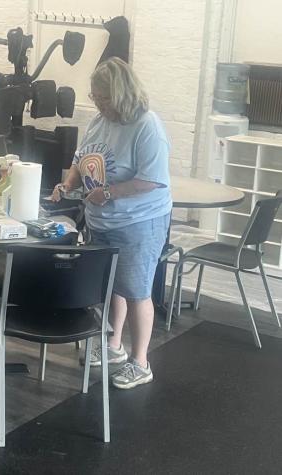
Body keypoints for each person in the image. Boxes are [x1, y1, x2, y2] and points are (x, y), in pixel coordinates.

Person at [52, 57, 172, 389]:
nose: (99, 104)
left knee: (136, 290)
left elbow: (152, 180)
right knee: (111, 286)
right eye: (95, 98)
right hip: (102, 221)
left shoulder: (148, 127)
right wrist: (69, 184)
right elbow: (81, 159)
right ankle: (113, 346)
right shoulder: (99, 121)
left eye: (103, 98)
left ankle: (140, 362)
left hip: (139, 222)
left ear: (121, 94)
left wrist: (108, 193)